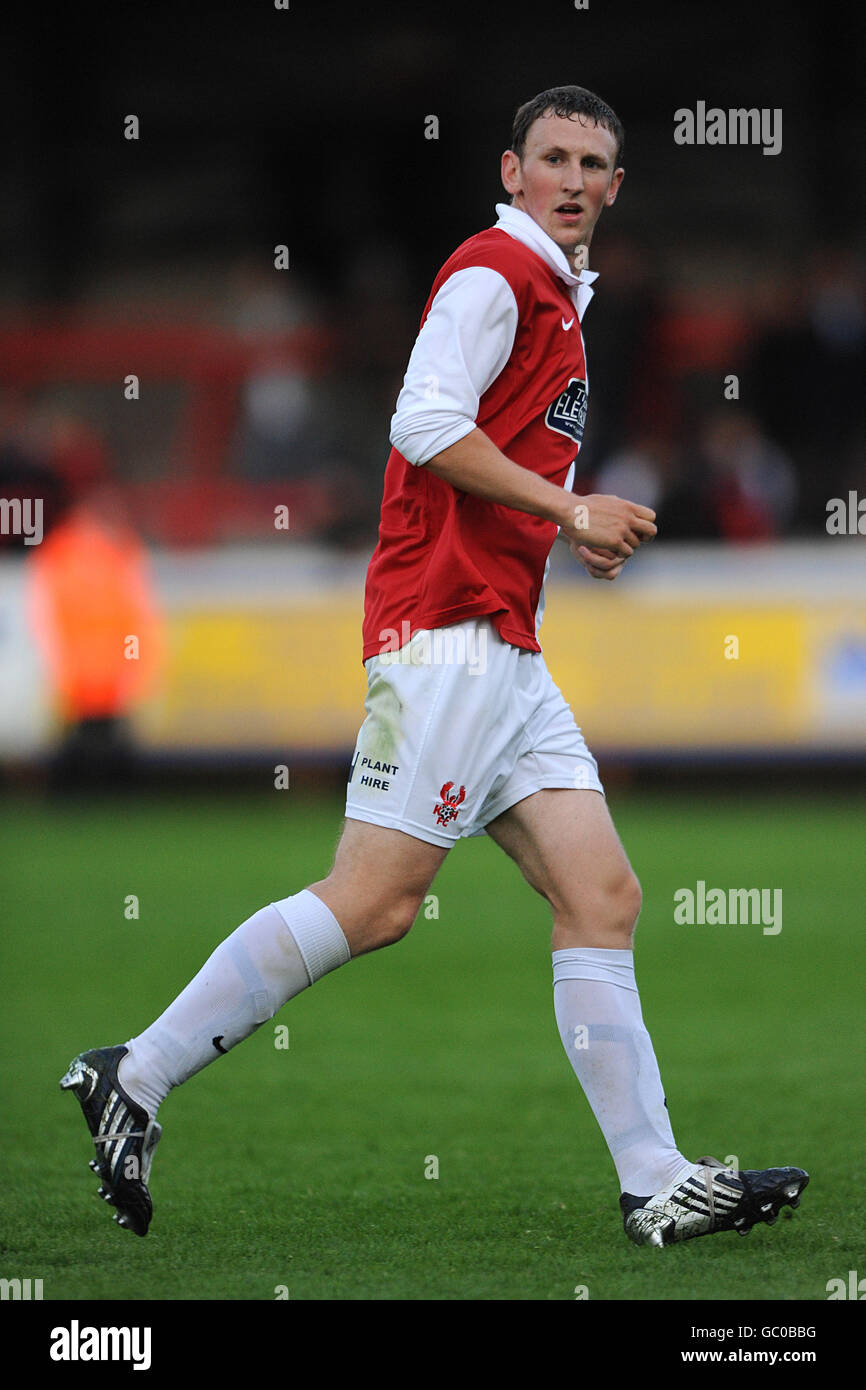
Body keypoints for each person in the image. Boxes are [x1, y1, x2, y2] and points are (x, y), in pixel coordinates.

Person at [61, 85, 807, 1249]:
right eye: (550, 157)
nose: (570, 179)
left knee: (601, 895)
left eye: (592, 164)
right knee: (377, 900)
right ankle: (136, 1074)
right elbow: (420, 422)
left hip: (503, 643)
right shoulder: (492, 275)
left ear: (615, 188)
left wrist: (554, 535)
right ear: (511, 174)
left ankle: (654, 1180)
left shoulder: (558, 299)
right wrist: (567, 508)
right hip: (444, 634)